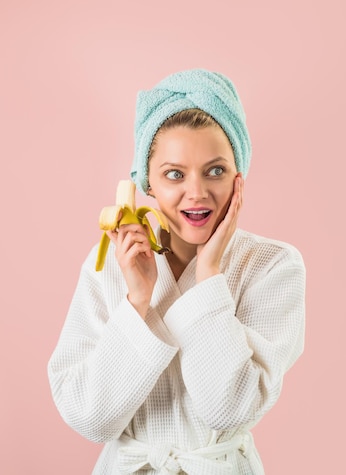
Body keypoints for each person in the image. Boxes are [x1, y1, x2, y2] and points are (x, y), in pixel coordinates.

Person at [48, 69, 306, 474]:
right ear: (145, 181)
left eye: (215, 170)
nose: (197, 192)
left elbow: (230, 409)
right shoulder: (110, 266)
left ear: (239, 175)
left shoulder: (272, 267)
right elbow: (89, 418)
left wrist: (209, 275)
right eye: (174, 174)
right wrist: (137, 300)